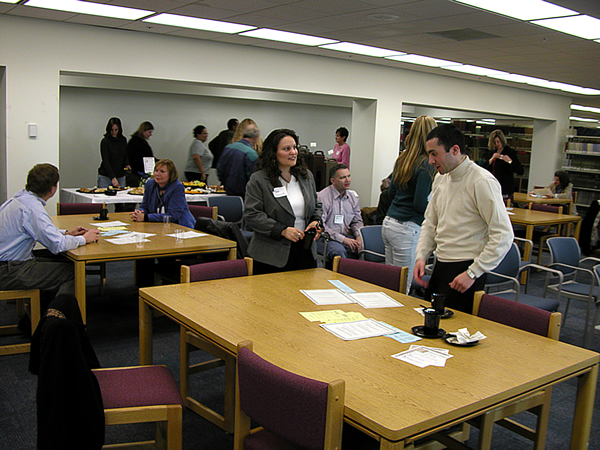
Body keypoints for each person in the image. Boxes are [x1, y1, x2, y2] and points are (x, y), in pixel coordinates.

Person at [414, 124, 513, 313]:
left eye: (434, 154)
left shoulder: (482, 181)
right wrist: (421, 255)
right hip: (441, 263)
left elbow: (503, 234)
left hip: (466, 269)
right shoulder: (441, 178)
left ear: (455, 150)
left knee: (455, 327)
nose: (430, 161)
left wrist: (473, 272)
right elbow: (430, 223)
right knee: (430, 320)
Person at [0, 164, 100, 303]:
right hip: (9, 270)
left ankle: (42, 310)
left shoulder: (20, 199)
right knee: (74, 271)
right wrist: (84, 239)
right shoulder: (32, 207)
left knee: (61, 262)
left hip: (8, 264)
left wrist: (66, 233)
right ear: (53, 189)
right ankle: (56, 314)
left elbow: (38, 230)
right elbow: (57, 245)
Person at [244, 128, 323, 274]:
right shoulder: (259, 180)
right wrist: (282, 230)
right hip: (271, 255)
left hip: (305, 250)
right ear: (273, 153)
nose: (293, 152)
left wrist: (316, 221)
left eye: (295, 147)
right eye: (287, 149)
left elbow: (316, 204)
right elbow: (252, 215)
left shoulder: (306, 176)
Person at [382, 115, 436, 293]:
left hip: (389, 223)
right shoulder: (426, 164)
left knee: (390, 282)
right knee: (402, 287)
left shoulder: (403, 159)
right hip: (407, 228)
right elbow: (420, 204)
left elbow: (390, 193)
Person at [316, 163, 363, 262]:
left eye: (349, 176)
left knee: (364, 247)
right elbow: (321, 226)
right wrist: (343, 239)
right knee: (339, 251)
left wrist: (359, 236)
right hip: (325, 238)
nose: (347, 180)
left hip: (345, 236)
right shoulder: (322, 197)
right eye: (343, 178)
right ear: (333, 181)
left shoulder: (352, 197)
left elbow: (357, 221)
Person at [132, 159, 195, 228]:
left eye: (162, 171)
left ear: (171, 174)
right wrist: (139, 213)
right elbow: (144, 206)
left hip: (180, 226)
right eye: (156, 170)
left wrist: (146, 217)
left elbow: (172, 215)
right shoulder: (150, 184)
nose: (157, 174)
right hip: (156, 225)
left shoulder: (177, 187)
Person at [217, 123, 260, 197]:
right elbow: (253, 177)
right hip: (243, 193)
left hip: (227, 190)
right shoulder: (251, 153)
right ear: (256, 137)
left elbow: (220, 168)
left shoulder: (228, 148)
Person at [483, 129, 524, 199]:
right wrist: (491, 159)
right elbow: (484, 169)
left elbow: (520, 171)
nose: (497, 144)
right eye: (495, 142)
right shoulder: (492, 152)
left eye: (498, 142)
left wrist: (510, 161)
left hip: (505, 189)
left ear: (502, 140)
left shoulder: (510, 152)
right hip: (493, 187)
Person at [98, 117, 130, 189]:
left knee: (121, 194)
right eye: (111, 130)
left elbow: (125, 154)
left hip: (120, 174)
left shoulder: (123, 140)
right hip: (106, 175)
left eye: (116, 130)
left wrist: (127, 164)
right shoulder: (105, 141)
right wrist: (113, 177)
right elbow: (106, 161)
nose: (114, 132)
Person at [127, 121, 156, 187]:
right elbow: (134, 158)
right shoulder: (135, 142)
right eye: (149, 132)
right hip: (137, 174)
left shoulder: (141, 141)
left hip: (141, 172)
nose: (150, 134)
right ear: (143, 131)